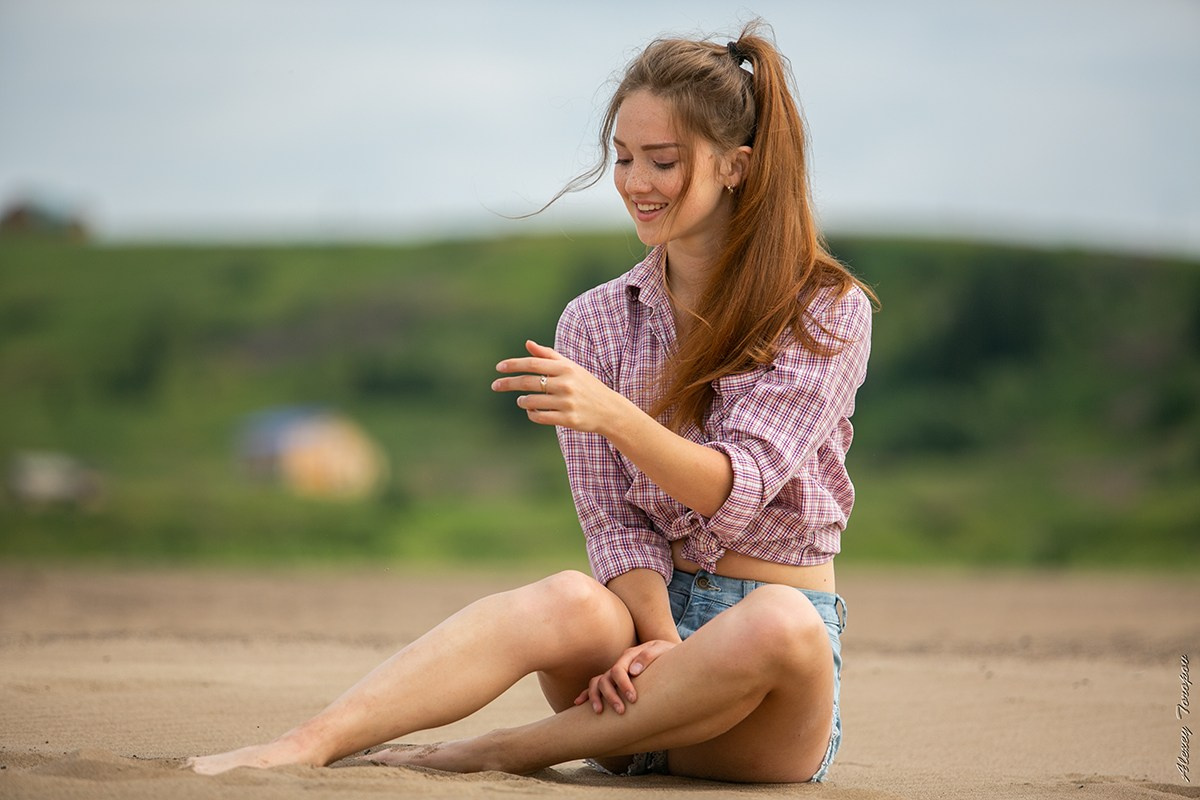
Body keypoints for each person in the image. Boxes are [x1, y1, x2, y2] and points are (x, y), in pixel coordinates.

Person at [187, 19, 873, 784]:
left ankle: (503, 750)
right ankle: (309, 742)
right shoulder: (594, 321)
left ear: (737, 166)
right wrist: (663, 643)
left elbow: (737, 487)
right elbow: (613, 525)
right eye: (622, 158)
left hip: (763, 709)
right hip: (635, 661)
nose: (635, 182)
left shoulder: (826, 309)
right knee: (567, 600)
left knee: (780, 622)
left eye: (663, 160)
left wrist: (613, 412)